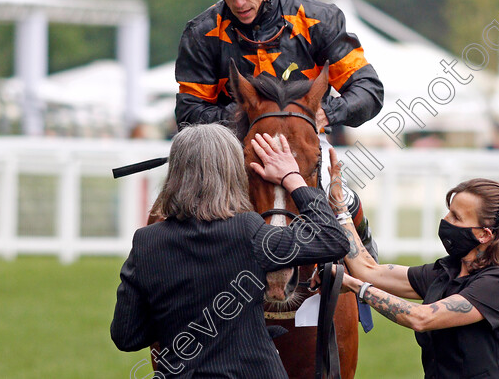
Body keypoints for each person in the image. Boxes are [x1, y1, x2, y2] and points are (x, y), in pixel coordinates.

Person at [174, 0, 382, 261]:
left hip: (305, 143)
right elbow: (188, 115)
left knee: (343, 200)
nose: (239, 1)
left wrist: (327, 112)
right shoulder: (201, 33)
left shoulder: (320, 19)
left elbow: (369, 91)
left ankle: (365, 267)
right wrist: (255, 119)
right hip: (235, 152)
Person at [110, 124, 348, 378]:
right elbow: (332, 239)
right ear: (233, 173)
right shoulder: (248, 231)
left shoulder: (147, 241)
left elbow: (127, 336)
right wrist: (293, 178)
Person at [326, 149, 499, 378]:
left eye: (456, 217)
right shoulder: (446, 271)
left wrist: (356, 287)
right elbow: (368, 270)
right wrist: (341, 210)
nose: (445, 221)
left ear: (484, 234)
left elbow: (421, 317)